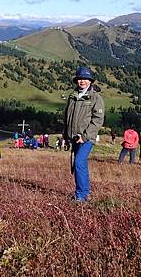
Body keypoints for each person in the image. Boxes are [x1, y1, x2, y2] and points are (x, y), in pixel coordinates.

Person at [63, 66, 105, 202]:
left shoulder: (96, 98)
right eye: (80, 79)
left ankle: (81, 195)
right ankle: (83, 192)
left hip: (87, 138)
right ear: (76, 80)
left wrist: (85, 136)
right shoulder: (72, 96)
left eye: (85, 79)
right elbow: (67, 116)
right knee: (78, 164)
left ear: (90, 81)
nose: (82, 81)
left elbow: (98, 120)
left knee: (80, 162)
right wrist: (66, 135)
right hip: (74, 137)